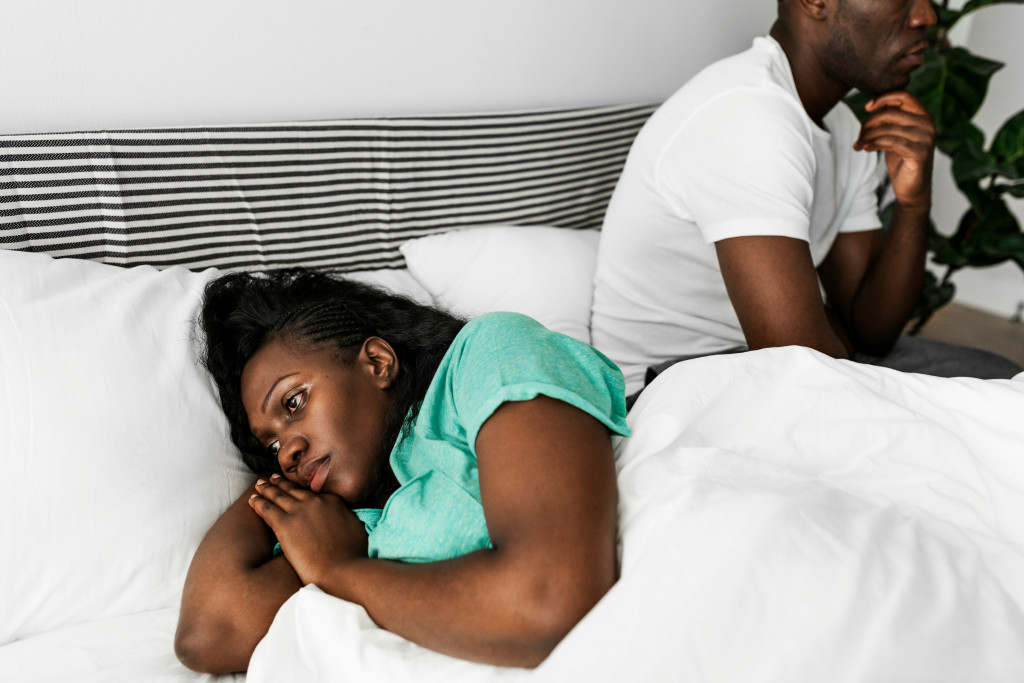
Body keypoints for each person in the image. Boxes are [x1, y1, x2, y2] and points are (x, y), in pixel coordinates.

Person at [174, 268, 630, 674]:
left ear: (378, 362)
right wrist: (272, 478)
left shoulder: (489, 351)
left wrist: (338, 570)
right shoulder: (351, 521)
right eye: (269, 444)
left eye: (293, 402)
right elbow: (210, 635)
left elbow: (549, 601)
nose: (286, 451)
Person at [590, 0, 1022, 402]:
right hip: (670, 389)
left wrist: (914, 204)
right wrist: (829, 331)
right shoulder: (748, 113)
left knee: (998, 377)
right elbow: (802, 365)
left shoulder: (839, 124)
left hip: (761, 369)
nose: (926, 16)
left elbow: (871, 331)